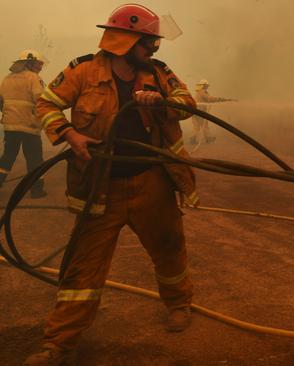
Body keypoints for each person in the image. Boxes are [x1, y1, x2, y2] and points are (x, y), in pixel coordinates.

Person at [26, 4, 198, 365]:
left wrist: (163, 101)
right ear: (125, 40)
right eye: (148, 42)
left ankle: (179, 305)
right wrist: (69, 133)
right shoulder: (83, 70)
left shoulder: (158, 73)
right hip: (100, 188)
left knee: (169, 248)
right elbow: (46, 104)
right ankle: (58, 342)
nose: (154, 49)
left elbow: (187, 103)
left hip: (152, 182)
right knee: (83, 266)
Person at [0, 49, 47, 198]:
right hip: (30, 126)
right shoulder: (34, 78)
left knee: (7, 157)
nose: (40, 67)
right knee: (34, 158)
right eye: (39, 64)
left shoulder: (6, 79)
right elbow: (41, 101)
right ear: (30, 62)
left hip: (10, 126)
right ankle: (36, 190)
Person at [189, 79, 231, 145]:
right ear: (204, 86)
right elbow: (210, 99)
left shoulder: (198, 92)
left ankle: (193, 139)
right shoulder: (203, 92)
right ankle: (208, 138)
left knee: (196, 126)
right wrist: (221, 99)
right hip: (201, 111)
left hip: (195, 111)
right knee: (205, 125)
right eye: (206, 85)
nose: (207, 87)